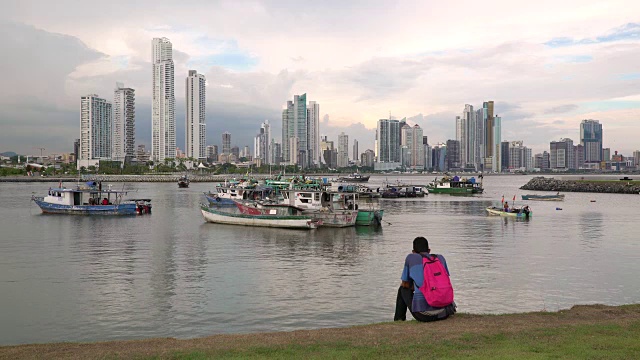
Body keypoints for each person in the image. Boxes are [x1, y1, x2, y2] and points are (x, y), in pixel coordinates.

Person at [394, 237, 456, 322]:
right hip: (446, 312)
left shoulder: (411, 258)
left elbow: (405, 284)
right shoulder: (440, 258)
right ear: (429, 250)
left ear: (413, 252)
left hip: (425, 315)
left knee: (403, 289)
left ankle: (399, 320)